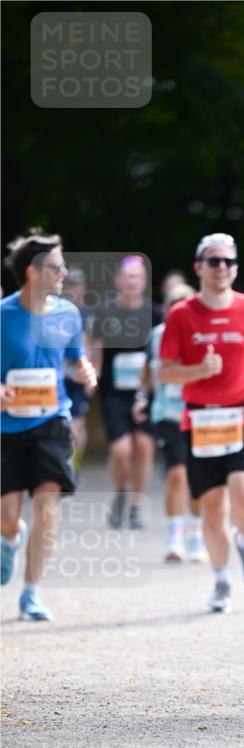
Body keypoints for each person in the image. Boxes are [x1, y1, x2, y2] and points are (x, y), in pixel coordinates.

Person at [159, 233, 244, 611]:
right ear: (199, 268)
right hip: (201, 419)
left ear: (235, 268)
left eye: (228, 261)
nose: (221, 267)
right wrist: (198, 371)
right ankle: (221, 580)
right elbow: (165, 371)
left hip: (242, 415)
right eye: (213, 261)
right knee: (212, 507)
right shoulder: (181, 313)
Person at [0, 228, 97, 620]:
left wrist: (84, 369)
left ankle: (31, 593)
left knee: (47, 504)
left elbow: (75, 359)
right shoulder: (3, 315)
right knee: (8, 517)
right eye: (56, 267)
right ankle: (10, 539)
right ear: (33, 271)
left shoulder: (67, 314)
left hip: (52, 421)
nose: (64, 273)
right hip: (7, 427)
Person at [132, 282, 206, 562]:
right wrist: (141, 398)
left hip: (200, 415)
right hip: (167, 414)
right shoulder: (157, 336)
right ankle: (175, 537)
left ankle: (196, 533)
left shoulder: (203, 335)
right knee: (177, 474)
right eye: (174, 306)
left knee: (198, 477)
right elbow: (146, 372)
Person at [90, 255, 160, 529]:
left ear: (144, 281)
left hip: (147, 391)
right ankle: (120, 493)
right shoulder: (105, 312)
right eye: (128, 276)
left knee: (143, 447)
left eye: (137, 276)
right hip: (115, 392)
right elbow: (94, 348)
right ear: (118, 280)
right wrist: (91, 373)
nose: (132, 281)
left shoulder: (155, 314)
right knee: (121, 451)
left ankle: (134, 506)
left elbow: (164, 351)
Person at [61, 267, 95, 475]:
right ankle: (66, 464)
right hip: (60, 374)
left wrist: (94, 373)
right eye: (70, 285)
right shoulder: (57, 310)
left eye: (77, 284)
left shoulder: (89, 314)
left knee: (78, 424)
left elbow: (95, 345)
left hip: (80, 375)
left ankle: (74, 465)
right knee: (65, 425)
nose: (73, 289)